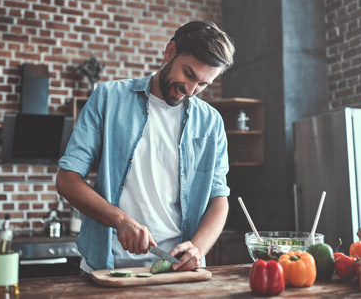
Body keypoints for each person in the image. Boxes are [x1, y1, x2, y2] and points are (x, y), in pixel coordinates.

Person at [56, 20, 235, 273]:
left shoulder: (211, 121)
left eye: (203, 84)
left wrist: (198, 247)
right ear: (170, 52)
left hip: (176, 271)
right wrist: (121, 221)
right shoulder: (108, 98)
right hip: (108, 268)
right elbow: (67, 179)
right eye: (189, 74)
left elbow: (219, 198)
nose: (191, 90)